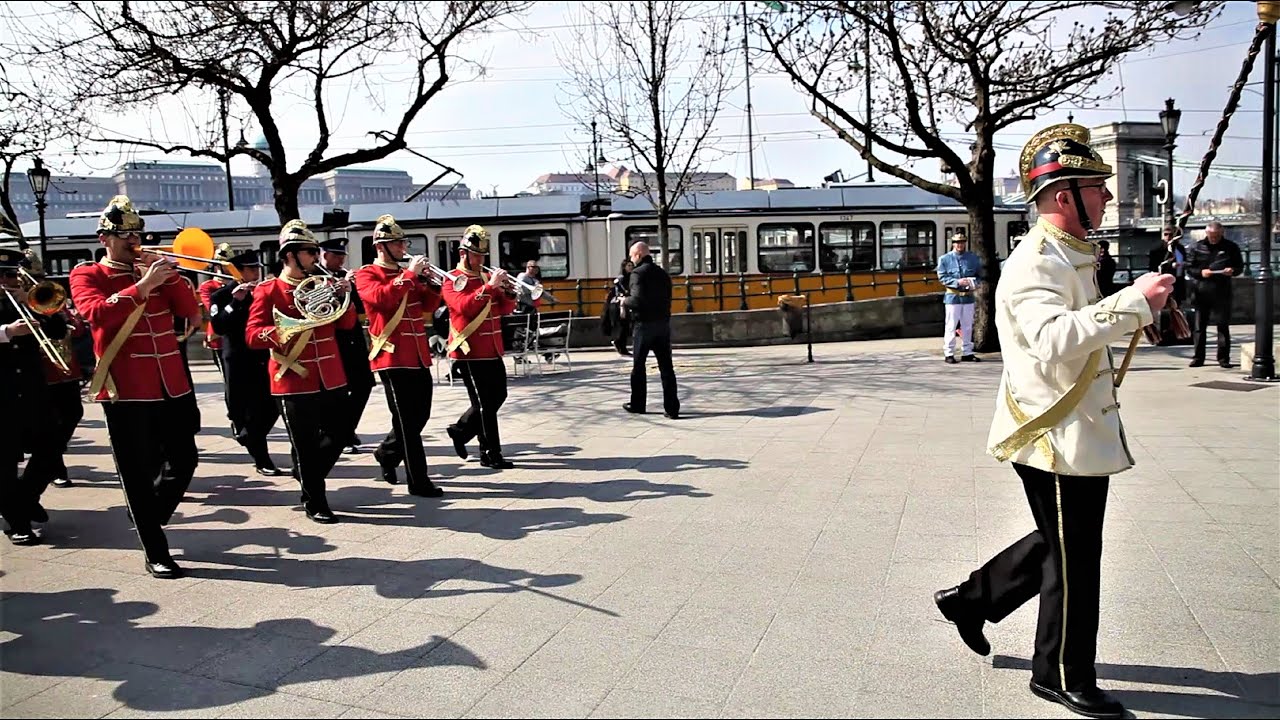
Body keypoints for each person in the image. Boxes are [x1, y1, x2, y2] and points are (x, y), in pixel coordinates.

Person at [931, 124, 1173, 720]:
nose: (1107, 198)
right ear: (1064, 195)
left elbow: (1083, 321)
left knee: (1064, 541)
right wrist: (1136, 302)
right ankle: (1062, 674)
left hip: (1071, 429)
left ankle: (970, 599)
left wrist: (1146, 310)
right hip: (1053, 435)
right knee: (1074, 556)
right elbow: (1052, 340)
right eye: (1097, 187)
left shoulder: (1071, 254)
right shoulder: (1037, 261)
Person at [69, 196, 204, 578]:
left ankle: (149, 515)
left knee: (184, 459)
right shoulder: (88, 274)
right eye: (125, 234)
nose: (134, 240)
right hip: (126, 388)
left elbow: (185, 311)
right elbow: (95, 314)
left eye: (137, 233)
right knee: (136, 470)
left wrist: (172, 277)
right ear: (104, 239)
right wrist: (143, 285)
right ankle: (155, 548)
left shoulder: (156, 271)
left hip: (171, 383)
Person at [246, 220, 357, 524]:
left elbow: (345, 325)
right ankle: (315, 500)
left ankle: (308, 474)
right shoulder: (270, 289)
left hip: (331, 374)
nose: (316, 257)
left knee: (341, 432)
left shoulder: (322, 284)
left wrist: (343, 298)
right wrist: (283, 332)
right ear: (291, 255)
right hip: (293, 377)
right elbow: (252, 335)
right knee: (305, 444)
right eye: (310, 252)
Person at [352, 214, 445, 497]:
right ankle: (418, 480)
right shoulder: (367, 273)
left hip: (417, 354)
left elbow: (428, 305)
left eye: (403, 243)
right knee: (407, 421)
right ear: (381, 246)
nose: (404, 249)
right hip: (391, 355)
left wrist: (432, 284)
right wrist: (410, 276)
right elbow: (381, 299)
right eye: (398, 244)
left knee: (420, 416)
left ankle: (387, 454)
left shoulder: (406, 274)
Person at [0, 249, 64, 545]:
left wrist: (39, 307)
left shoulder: (26, 299)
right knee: (4, 460)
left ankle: (23, 500)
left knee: (51, 448)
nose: (7, 280)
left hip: (32, 387)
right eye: (2, 275)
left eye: (11, 274)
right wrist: (7, 332)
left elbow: (59, 331)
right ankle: (16, 521)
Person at [442, 225, 517, 469]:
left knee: (499, 396)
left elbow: (502, 310)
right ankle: (490, 452)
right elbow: (463, 306)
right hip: (469, 349)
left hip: (492, 347)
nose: (481, 260)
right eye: (476, 255)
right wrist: (489, 288)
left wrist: (509, 293)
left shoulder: (486, 277)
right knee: (484, 403)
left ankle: (460, 432)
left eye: (483, 255)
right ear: (463, 253)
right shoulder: (452, 278)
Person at [208, 251, 286, 476]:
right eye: (250, 270)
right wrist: (236, 301)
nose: (255, 273)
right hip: (238, 358)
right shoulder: (221, 295)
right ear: (238, 272)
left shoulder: (262, 291)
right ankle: (262, 459)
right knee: (242, 408)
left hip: (261, 356)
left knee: (271, 406)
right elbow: (219, 326)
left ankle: (250, 436)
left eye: (256, 269)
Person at [26, 254, 85, 490]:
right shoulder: (18, 304)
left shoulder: (53, 301)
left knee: (73, 413)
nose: (37, 283)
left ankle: (50, 457)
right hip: (40, 372)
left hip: (66, 370)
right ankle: (55, 467)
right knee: (50, 425)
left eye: (40, 278)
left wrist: (66, 317)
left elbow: (77, 329)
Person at [320, 237, 375, 453]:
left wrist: (351, 288)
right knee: (336, 393)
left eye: (342, 256)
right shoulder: (314, 277)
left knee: (364, 386)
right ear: (325, 255)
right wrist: (334, 292)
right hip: (333, 342)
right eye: (336, 256)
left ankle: (345, 429)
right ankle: (336, 432)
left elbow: (362, 307)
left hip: (354, 341)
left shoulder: (345, 276)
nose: (341, 260)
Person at [620, 242, 679, 419]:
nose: (630, 259)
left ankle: (638, 404)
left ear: (638, 255)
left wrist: (624, 300)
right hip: (662, 324)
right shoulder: (662, 273)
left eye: (631, 255)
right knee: (667, 368)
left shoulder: (637, 273)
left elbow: (637, 300)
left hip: (644, 325)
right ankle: (672, 408)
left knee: (638, 366)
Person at [1186, 221, 1244, 368]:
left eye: (1217, 236)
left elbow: (1239, 267)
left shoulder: (1231, 247)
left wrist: (1232, 270)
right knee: (1199, 327)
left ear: (1222, 233)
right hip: (1201, 290)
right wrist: (1200, 272)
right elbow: (1189, 268)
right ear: (1207, 233)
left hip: (1222, 290)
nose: (1214, 239)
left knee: (1223, 326)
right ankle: (1198, 357)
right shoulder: (1197, 247)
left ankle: (1223, 358)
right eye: (1211, 236)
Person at [935, 232, 982, 364]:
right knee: (951, 325)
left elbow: (979, 275)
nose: (959, 245)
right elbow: (942, 277)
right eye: (957, 243)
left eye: (962, 242)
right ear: (953, 244)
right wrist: (957, 282)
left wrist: (974, 283)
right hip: (953, 296)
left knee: (967, 326)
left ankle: (967, 352)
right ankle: (949, 352)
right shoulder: (944, 259)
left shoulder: (973, 258)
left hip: (968, 297)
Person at [602, 259, 634, 356]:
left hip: (624, 304)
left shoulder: (630, 277)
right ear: (624, 267)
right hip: (619, 305)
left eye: (632, 265)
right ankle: (619, 345)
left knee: (625, 326)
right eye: (629, 266)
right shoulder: (621, 278)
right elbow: (624, 291)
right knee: (622, 326)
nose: (631, 267)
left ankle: (621, 346)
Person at [1147, 226, 1187, 303]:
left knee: (1177, 304)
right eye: (1165, 234)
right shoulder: (1158, 249)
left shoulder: (1180, 248)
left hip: (1178, 280)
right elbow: (1153, 266)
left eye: (1170, 235)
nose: (1168, 237)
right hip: (1164, 280)